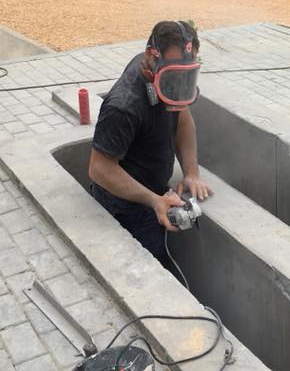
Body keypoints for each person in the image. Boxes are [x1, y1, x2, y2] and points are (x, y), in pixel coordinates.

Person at [88, 20, 212, 267]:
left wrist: (191, 173)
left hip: (154, 192)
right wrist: (154, 200)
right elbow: (99, 169)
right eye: (175, 74)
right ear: (150, 56)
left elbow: (183, 118)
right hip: (125, 208)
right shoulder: (123, 107)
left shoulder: (164, 76)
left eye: (187, 75)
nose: (180, 83)